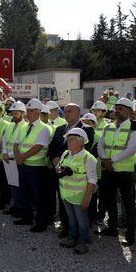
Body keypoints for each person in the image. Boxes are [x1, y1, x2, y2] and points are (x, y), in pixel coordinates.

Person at [97, 97, 136, 245]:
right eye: (116, 108)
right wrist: (104, 159)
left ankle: (130, 234)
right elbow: (100, 145)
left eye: (121, 108)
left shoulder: (134, 128)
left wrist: (111, 161)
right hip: (108, 170)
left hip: (124, 172)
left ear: (129, 111)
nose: (117, 111)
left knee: (128, 203)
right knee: (109, 200)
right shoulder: (108, 127)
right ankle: (112, 228)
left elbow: (131, 149)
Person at [48, 103, 94, 237]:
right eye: (65, 111)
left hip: (77, 179)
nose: (66, 114)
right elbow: (52, 147)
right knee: (63, 202)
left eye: (69, 111)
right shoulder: (60, 128)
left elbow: (86, 148)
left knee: (79, 210)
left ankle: (82, 236)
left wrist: (62, 163)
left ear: (78, 113)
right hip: (59, 171)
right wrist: (56, 159)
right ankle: (66, 228)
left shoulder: (87, 130)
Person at [57, 128, 98, 254]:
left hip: (79, 195)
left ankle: (83, 242)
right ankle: (72, 238)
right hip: (66, 193)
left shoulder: (88, 158)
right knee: (72, 218)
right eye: (68, 139)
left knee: (82, 220)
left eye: (72, 140)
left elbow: (92, 180)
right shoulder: (65, 154)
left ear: (81, 142)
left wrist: (87, 198)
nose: (68, 142)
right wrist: (60, 170)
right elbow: (58, 168)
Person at [14, 98, 52, 232]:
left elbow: (38, 146)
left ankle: (41, 223)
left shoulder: (44, 128)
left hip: (37, 167)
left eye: (30, 111)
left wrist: (22, 157)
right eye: (27, 111)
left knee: (38, 196)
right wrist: (18, 156)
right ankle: (26, 217)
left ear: (38, 112)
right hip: (23, 165)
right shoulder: (24, 126)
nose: (27, 113)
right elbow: (16, 143)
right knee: (24, 193)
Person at [2, 101, 27, 217]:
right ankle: (15, 206)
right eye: (13, 113)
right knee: (13, 184)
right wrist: (4, 153)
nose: (14, 115)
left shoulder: (25, 126)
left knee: (20, 186)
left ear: (23, 114)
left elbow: (21, 145)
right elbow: (4, 140)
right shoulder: (10, 125)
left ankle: (20, 208)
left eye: (17, 113)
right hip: (8, 159)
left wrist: (9, 155)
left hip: (16, 159)